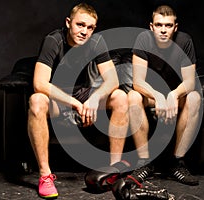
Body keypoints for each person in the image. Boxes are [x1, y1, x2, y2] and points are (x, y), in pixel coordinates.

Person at [27, 3, 129, 198]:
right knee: (37, 100)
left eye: (90, 27)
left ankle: (113, 171)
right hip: (57, 97)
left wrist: (94, 98)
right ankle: (45, 176)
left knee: (120, 97)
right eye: (80, 25)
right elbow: (40, 83)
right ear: (68, 23)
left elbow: (113, 81)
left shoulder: (96, 42)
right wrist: (75, 103)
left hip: (83, 93)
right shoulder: (53, 40)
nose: (84, 32)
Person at [127, 4, 202, 186]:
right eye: (159, 25)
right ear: (151, 26)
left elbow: (189, 82)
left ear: (175, 27)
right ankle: (144, 163)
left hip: (175, 95)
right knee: (132, 97)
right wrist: (158, 96)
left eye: (168, 26)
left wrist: (173, 95)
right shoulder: (143, 39)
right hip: (151, 95)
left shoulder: (184, 41)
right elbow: (138, 82)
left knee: (194, 97)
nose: (163, 30)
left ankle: (177, 162)